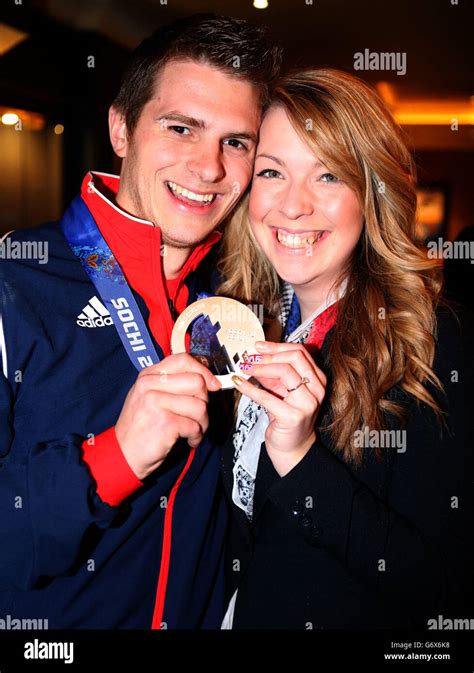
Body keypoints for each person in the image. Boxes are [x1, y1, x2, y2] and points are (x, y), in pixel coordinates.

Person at [0, 14, 281, 629]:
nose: (209, 168)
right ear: (121, 129)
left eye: (236, 142)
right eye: (182, 128)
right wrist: (113, 459)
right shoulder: (13, 285)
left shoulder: (238, 307)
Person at [217, 69, 474, 629]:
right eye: (271, 172)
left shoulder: (430, 342)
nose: (293, 206)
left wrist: (299, 457)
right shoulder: (237, 318)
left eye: (328, 176)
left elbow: (442, 592)